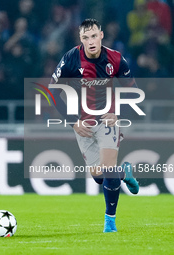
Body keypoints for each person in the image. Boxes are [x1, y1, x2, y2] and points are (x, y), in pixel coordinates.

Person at [50, 19, 140, 233]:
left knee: (107, 170)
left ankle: (110, 221)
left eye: (93, 36)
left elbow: (133, 91)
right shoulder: (71, 58)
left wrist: (118, 114)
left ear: (101, 35)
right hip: (83, 123)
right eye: (85, 37)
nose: (90, 41)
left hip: (107, 121)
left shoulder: (116, 59)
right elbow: (52, 91)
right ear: (80, 39)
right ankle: (124, 173)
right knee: (99, 177)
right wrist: (73, 122)